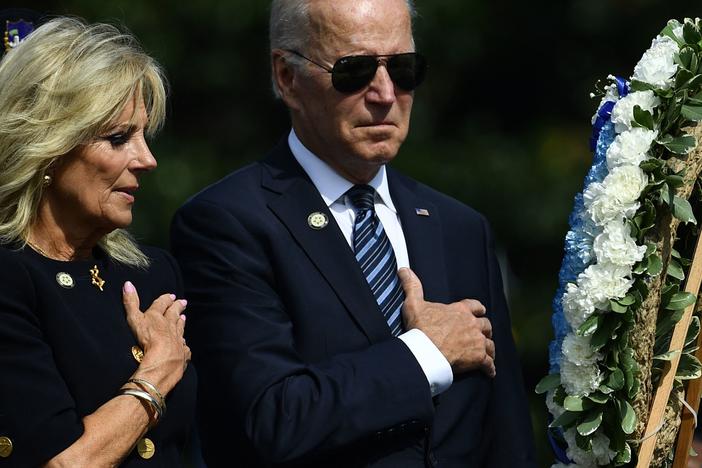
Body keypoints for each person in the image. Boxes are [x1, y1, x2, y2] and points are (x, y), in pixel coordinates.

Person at [171, 0, 535, 466]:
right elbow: (270, 419)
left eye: (403, 69)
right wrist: (424, 354)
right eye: (355, 70)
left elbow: (505, 438)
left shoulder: (459, 227)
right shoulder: (227, 224)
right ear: (287, 77)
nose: (385, 93)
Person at [0, 17, 196, 467]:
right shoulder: (10, 277)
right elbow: (64, 462)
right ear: (48, 145)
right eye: (118, 138)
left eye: (144, 135)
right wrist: (156, 376)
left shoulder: (154, 272)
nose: (148, 160)